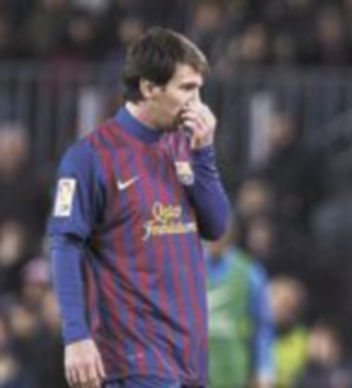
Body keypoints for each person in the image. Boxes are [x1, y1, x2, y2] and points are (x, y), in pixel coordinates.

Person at [47, 27, 230, 388]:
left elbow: (217, 225)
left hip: (189, 359)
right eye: (187, 88)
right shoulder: (90, 158)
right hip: (133, 361)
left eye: (199, 88)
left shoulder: (185, 145)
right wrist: (76, 337)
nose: (198, 102)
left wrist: (204, 154)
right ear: (149, 87)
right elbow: (64, 246)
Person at [206, 219, 275, 388]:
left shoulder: (250, 273)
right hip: (195, 368)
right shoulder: (188, 266)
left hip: (234, 368)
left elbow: (263, 325)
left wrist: (264, 369)